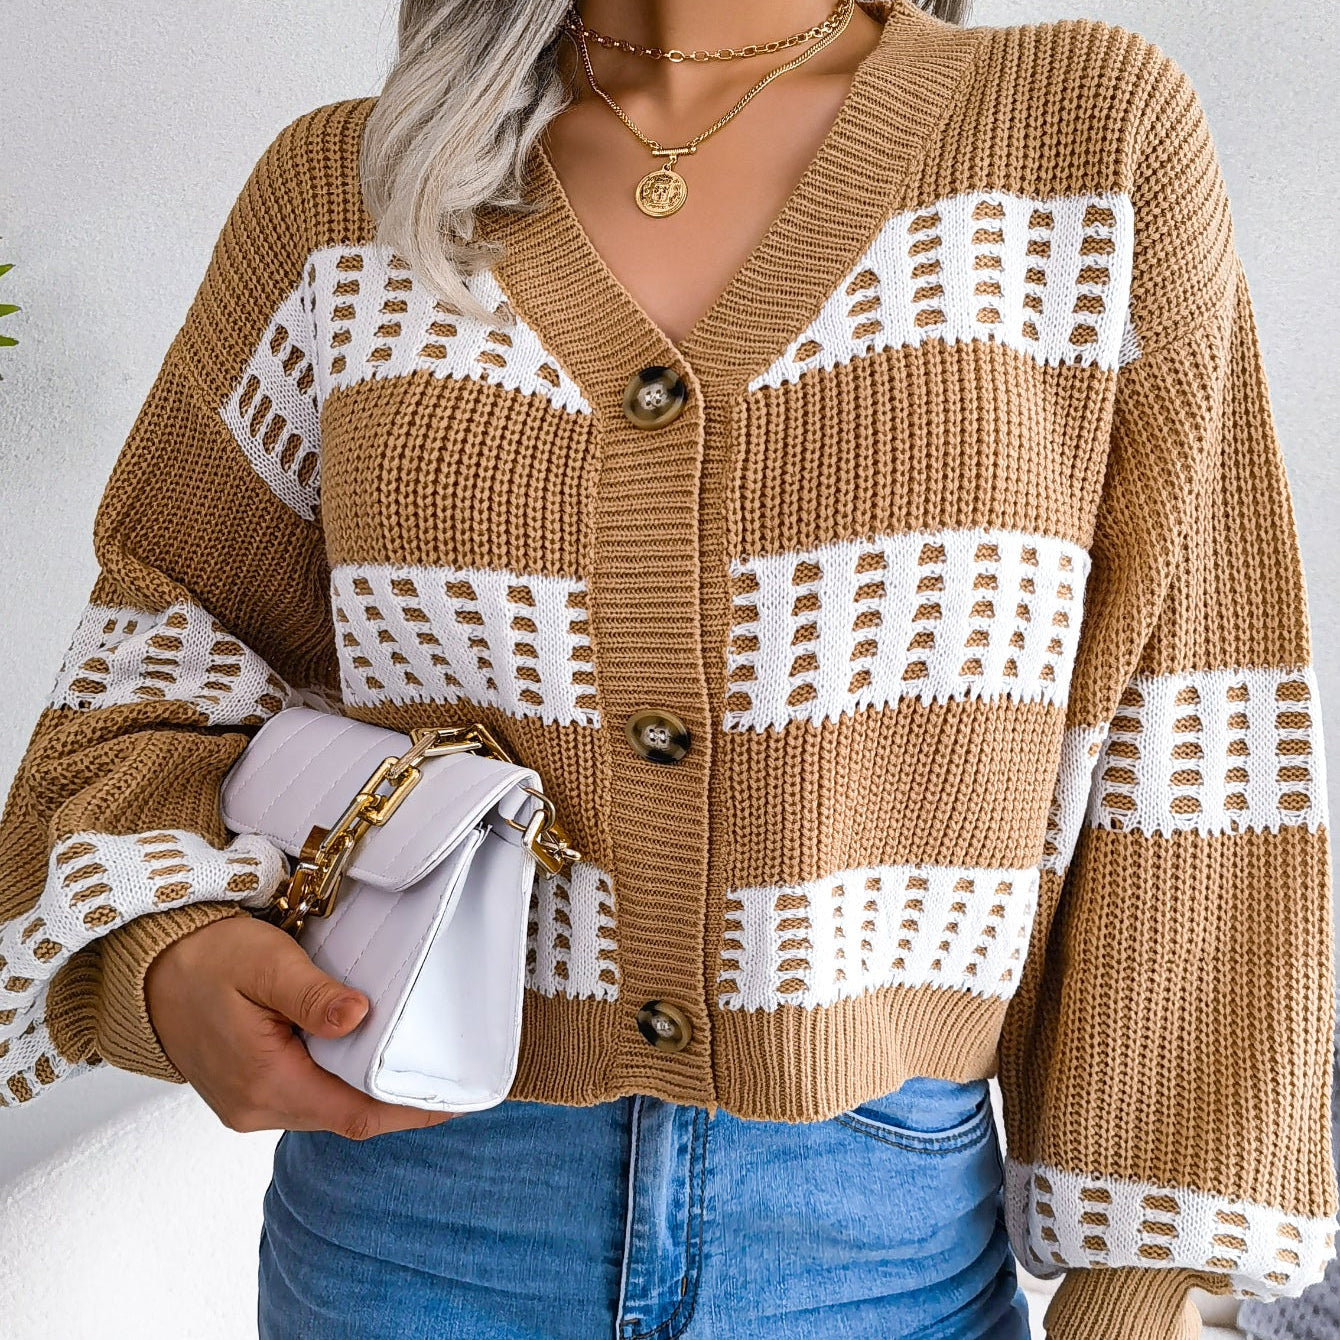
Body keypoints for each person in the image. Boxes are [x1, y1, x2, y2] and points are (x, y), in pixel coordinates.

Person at [0, 1, 1334, 1337]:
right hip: (414, 1214)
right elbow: (163, 656)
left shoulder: (1079, 139)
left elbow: (1195, 722)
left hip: (872, 1245)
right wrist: (166, 958)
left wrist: (1140, 1286)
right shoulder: (348, 194)